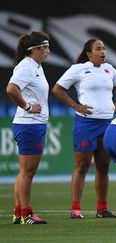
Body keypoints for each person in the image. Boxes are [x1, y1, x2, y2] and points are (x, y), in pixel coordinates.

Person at [52, 39, 116, 219]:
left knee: (103, 166)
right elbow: (57, 89)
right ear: (89, 54)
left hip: (107, 123)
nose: (103, 52)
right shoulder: (78, 69)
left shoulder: (109, 69)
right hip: (85, 124)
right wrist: (75, 105)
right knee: (82, 166)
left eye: (104, 48)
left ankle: (102, 209)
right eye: (98, 49)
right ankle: (76, 209)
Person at [6, 31, 51, 225]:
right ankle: (27, 213)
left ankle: (19, 212)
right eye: (45, 47)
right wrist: (27, 107)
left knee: (25, 171)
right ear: (34, 50)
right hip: (29, 124)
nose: (48, 51)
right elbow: (11, 88)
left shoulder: (35, 66)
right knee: (27, 172)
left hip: (33, 125)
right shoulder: (26, 66)